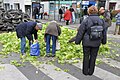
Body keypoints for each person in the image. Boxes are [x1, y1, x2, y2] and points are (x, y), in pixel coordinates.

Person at [75, 6, 107, 75]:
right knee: (93, 57)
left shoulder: (86, 20)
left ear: (89, 12)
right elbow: (104, 32)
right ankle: (91, 72)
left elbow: (81, 31)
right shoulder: (101, 20)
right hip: (96, 42)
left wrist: (77, 41)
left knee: (86, 56)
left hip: (86, 42)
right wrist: (104, 41)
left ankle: (85, 71)